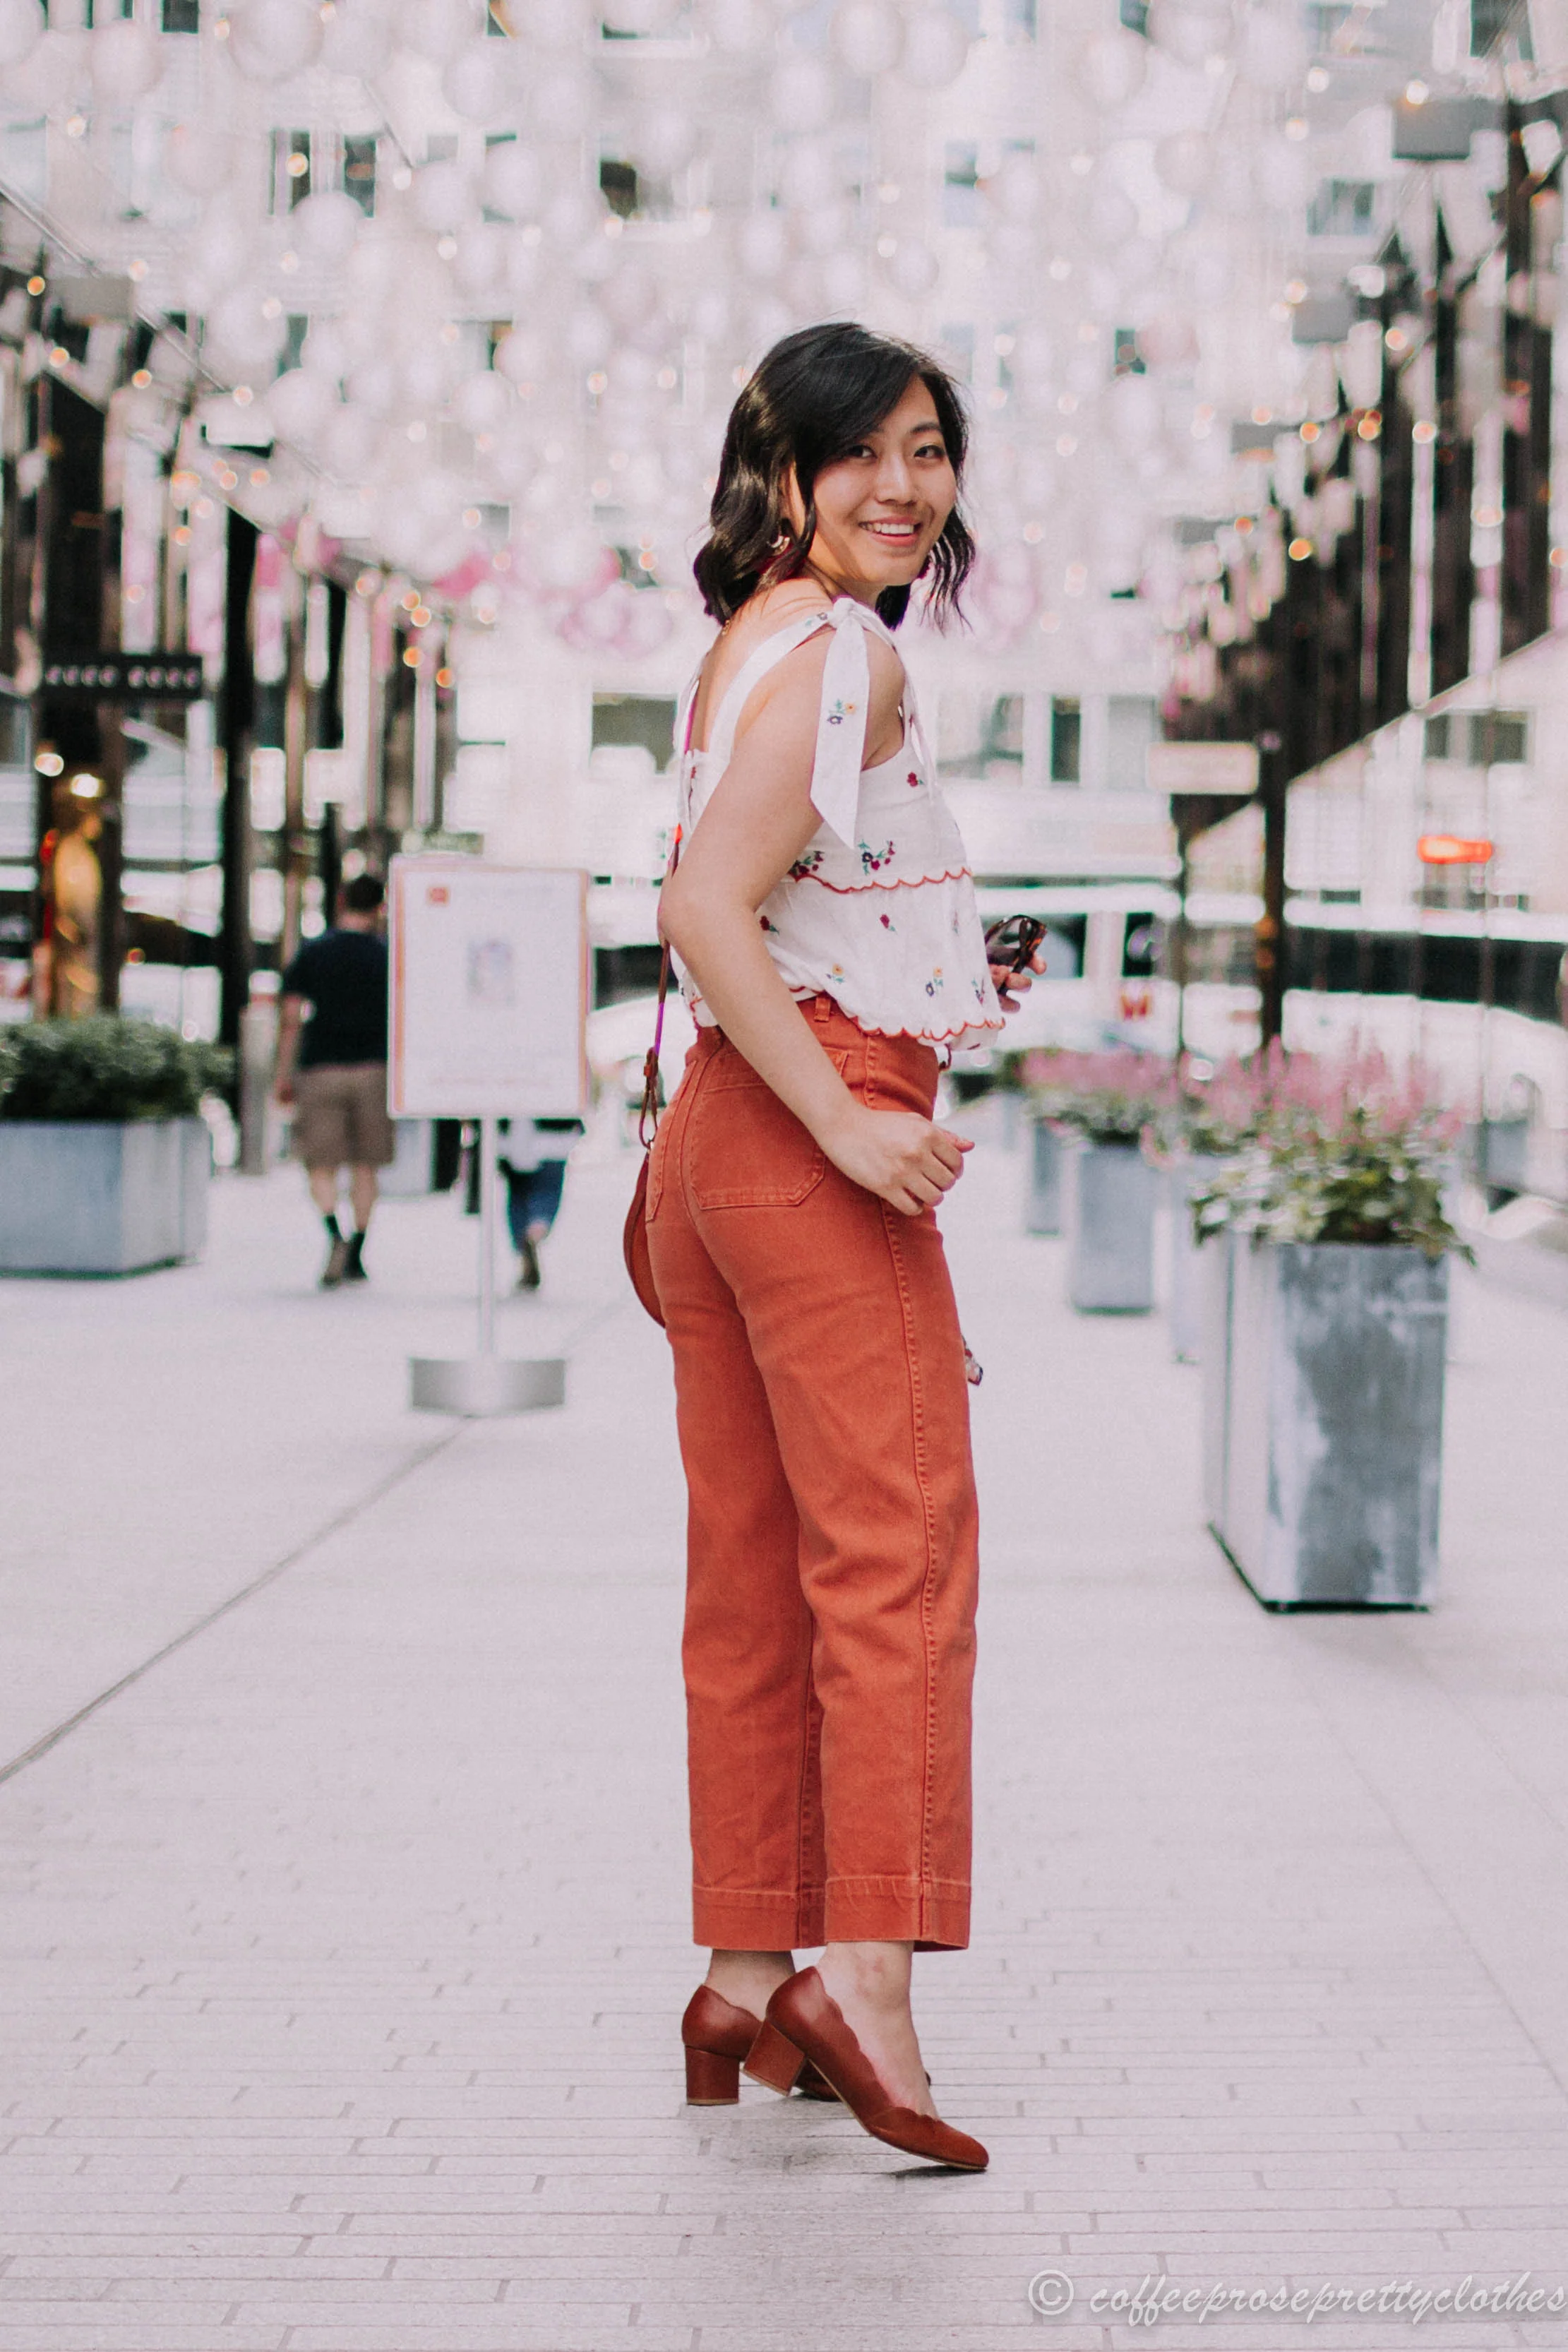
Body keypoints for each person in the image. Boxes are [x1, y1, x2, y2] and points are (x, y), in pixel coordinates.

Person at [642, 323, 1039, 2171]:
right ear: (785, 474)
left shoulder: (755, 639)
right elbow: (702, 906)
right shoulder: (850, 656)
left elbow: (781, 907)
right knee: (898, 1565)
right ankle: (862, 1985)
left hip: (713, 1145)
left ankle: (743, 1972)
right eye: (863, 452)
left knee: (755, 1579)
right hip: (808, 1132)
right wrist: (851, 1123)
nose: (905, 486)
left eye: (930, 450)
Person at [273, 873, 395, 1288]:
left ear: (341, 901)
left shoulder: (314, 952)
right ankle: (357, 1250)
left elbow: (291, 1017)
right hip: (374, 1069)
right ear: (380, 908)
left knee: (320, 1164)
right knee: (366, 1166)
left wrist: (284, 1073)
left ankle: (334, 1236)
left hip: (321, 1067)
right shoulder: (386, 956)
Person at [498, 1116, 585, 1289]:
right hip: (553, 1134)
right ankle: (534, 1235)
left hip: (512, 1135)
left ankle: (524, 1254)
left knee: (518, 1195)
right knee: (548, 1192)